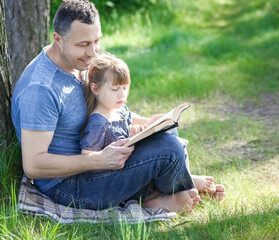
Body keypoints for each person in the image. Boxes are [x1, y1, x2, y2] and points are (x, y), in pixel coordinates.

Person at [11, 0, 210, 213]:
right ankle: (164, 195)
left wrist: (148, 122)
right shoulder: (41, 89)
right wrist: (99, 161)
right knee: (168, 150)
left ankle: (174, 187)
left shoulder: (80, 63)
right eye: (83, 44)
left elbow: (107, 108)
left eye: (96, 41)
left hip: (98, 161)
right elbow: (33, 165)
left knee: (166, 128)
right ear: (58, 39)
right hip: (71, 186)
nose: (92, 52)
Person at [80, 53, 225, 204]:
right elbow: (87, 157)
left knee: (169, 130)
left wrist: (147, 124)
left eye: (125, 88)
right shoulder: (98, 122)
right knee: (165, 145)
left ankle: (186, 183)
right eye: (115, 89)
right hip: (118, 174)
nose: (121, 94)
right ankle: (189, 185)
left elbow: (128, 122)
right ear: (95, 89)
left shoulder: (118, 109)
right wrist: (106, 154)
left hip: (133, 161)